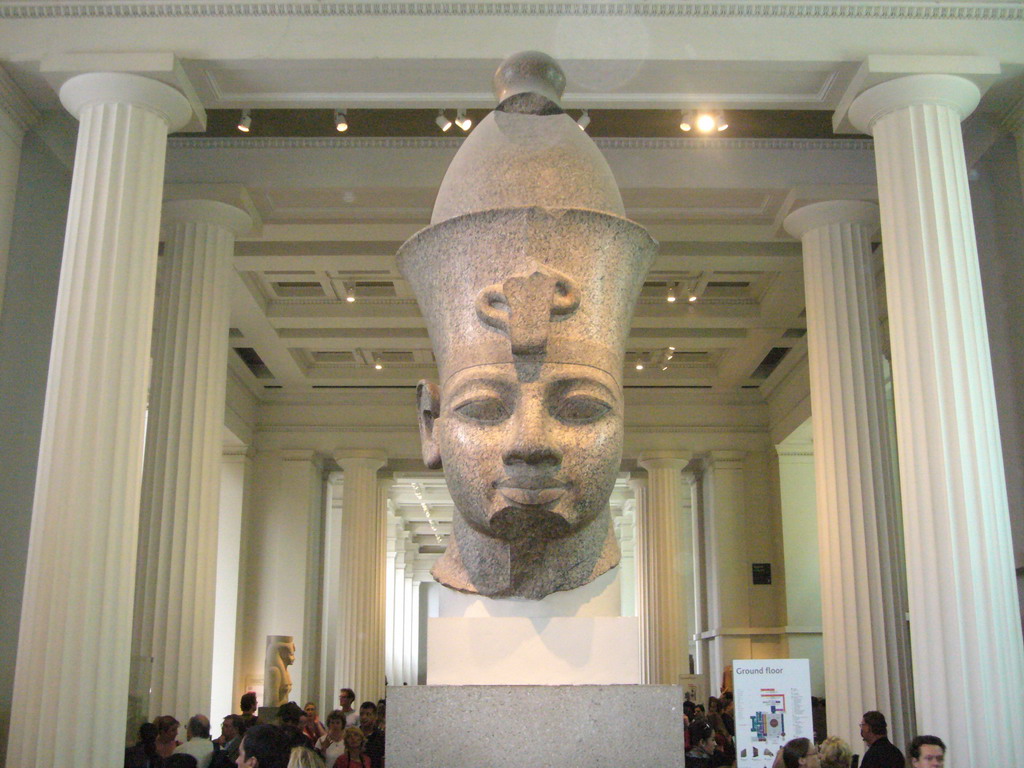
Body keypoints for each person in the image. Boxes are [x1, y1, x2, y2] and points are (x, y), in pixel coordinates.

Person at [357, 701, 385, 768]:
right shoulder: (354, 735)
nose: (364, 717)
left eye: (368, 714)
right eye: (361, 714)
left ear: (375, 716)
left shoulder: (381, 737)